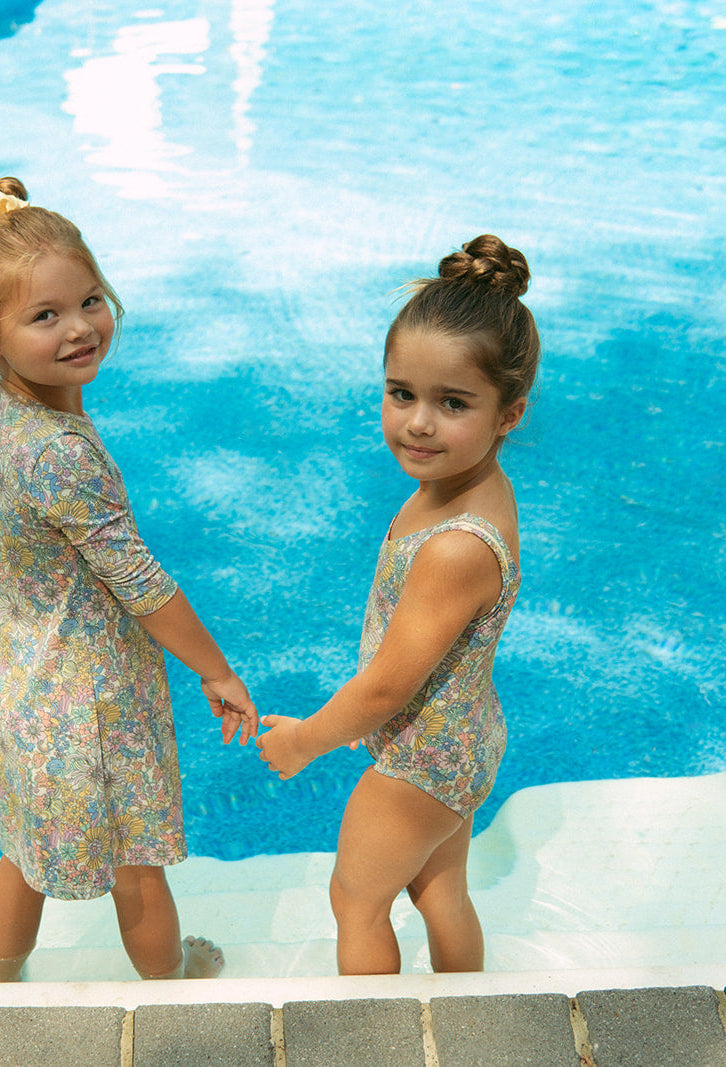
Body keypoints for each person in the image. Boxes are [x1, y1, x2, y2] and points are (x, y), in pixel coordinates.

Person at [0, 175, 258, 982]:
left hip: (19, 684)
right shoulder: (61, 450)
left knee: (22, 852)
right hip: (88, 695)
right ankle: (169, 988)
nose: (79, 328)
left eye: (89, 299)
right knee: (138, 862)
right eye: (45, 316)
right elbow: (139, 582)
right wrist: (214, 668)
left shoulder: (11, 415)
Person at [256, 235, 540, 976]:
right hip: (463, 737)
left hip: (419, 759)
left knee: (356, 901)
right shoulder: (469, 485)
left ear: (508, 413)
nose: (417, 422)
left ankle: (372, 1041)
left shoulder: (456, 547)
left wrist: (306, 739)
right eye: (400, 393)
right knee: (439, 891)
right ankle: (468, 1016)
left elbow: (388, 684)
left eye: (452, 403)